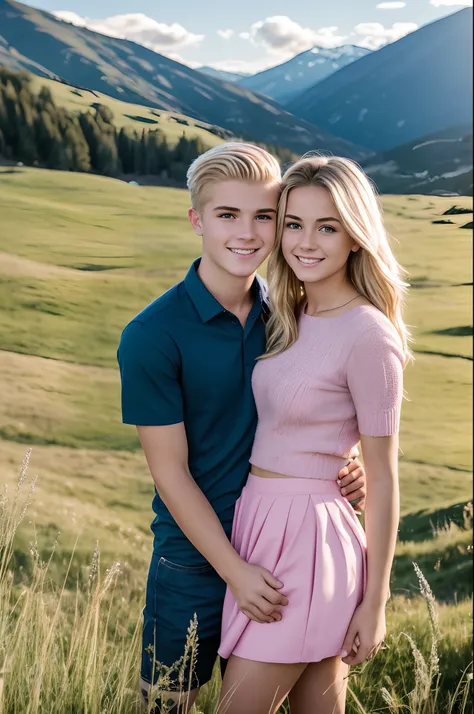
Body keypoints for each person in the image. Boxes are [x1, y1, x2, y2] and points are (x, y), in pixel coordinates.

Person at [117, 143, 367, 714]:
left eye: (265, 216)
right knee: (166, 705)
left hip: (286, 549)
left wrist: (343, 466)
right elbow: (171, 474)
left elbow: (315, 414)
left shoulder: (288, 317)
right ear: (197, 220)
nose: (248, 233)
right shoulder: (153, 335)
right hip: (194, 562)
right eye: (228, 215)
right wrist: (233, 571)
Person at [217, 154, 410, 714]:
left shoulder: (368, 333)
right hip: (260, 522)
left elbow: (383, 473)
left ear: (356, 235)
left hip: (309, 540)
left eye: (327, 227)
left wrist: (376, 600)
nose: (306, 242)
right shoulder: (288, 314)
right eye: (294, 224)